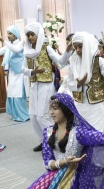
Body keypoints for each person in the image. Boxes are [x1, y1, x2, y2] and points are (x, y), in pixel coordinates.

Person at [14, 91, 104, 189]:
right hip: (55, 176)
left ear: (65, 109)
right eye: (50, 109)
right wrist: (63, 162)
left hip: (76, 177)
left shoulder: (78, 132)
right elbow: (47, 163)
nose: (51, 112)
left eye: (55, 109)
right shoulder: (47, 132)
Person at [22, 22, 72, 152]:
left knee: (43, 117)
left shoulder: (46, 48)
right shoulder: (27, 51)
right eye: (28, 35)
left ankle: (54, 140)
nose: (30, 37)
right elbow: (23, 69)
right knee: (33, 117)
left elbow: (60, 62)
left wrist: (66, 51)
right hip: (34, 85)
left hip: (47, 86)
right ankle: (43, 140)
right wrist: (33, 72)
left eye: (32, 34)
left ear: (38, 35)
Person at [66, 31, 104, 132]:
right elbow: (69, 83)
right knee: (82, 135)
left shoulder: (98, 61)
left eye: (80, 46)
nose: (78, 50)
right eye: (75, 47)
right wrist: (78, 84)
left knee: (97, 133)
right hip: (79, 105)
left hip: (95, 107)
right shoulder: (73, 61)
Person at [0, 25, 29, 122]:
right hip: (11, 73)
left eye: (10, 33)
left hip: (19, 73)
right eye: (7, 34)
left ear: (15, 34)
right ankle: (16, 115)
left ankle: (23, 115)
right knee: (12, 93)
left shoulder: (20, 43)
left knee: (18, 94)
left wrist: (4, 42)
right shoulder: (8, 45)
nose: (8, 35)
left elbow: (16, 50)